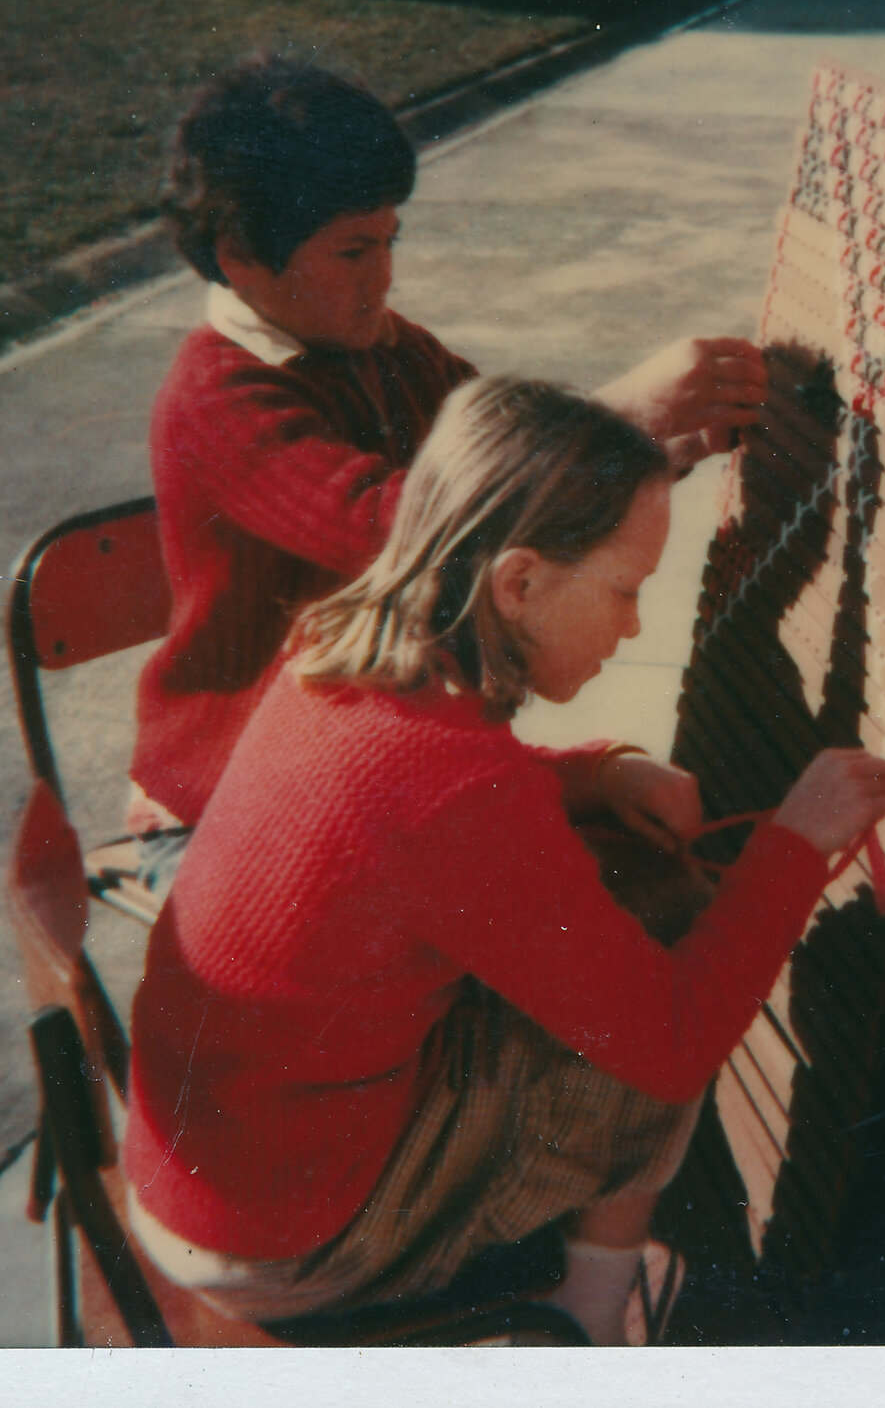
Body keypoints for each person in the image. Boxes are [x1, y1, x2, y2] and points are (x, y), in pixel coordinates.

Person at [122, 376, 885, 1343]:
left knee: (611, 945)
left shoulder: (335, 651)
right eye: (624, 588)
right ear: (519, 582)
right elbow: (675, 1039)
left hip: (213, 1170)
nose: (634, 626)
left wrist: (593, 776)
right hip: (289, 1247)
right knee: (671, 945)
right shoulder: (455, 793)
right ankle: (588, 1312)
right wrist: (795, 843)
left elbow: (409, 812)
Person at [129, 54, 768, 878]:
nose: (383, 278)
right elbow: (400, 526)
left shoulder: (390, 349)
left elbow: (511, 464)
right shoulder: (217, 396)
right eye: (353, 252)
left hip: (371, 762)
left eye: (390, 241)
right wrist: (618, 414)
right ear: (241, 257)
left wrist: (652, 451)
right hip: (233, 799)